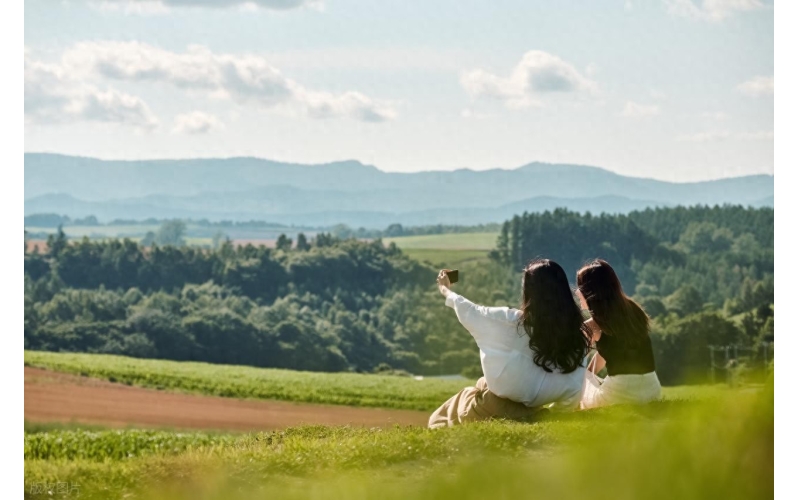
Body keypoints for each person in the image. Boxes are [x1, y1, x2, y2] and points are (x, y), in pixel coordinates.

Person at [428, 259, 592, 429]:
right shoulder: (577, 340)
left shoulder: (511, 322)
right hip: (534, 411)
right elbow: (572, 394)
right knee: (481, 384)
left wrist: (445, 289)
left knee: (438, 419)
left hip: (496, 407)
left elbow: (469, 310)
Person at [576, 259, 661, 409]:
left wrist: (588, 379)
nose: (577, 292)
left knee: (579, 378)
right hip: (652, 390)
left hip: (621, 394)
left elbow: (575, 364)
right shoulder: (634, 311)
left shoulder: (592, 326)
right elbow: (609, 350)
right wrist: (591, 375)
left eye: (579, 288)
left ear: (588, 292)